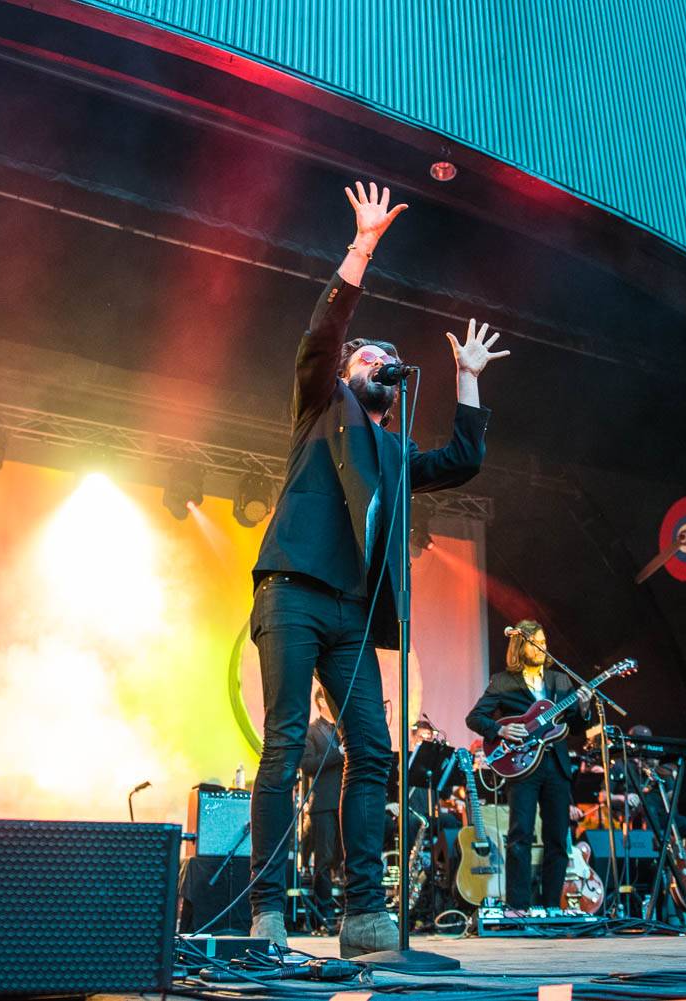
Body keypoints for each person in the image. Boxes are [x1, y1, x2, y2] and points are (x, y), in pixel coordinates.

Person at [248, 180, 505, 957]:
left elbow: (461, 459)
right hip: (292, 591)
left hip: (354, 615)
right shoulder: (320, 406)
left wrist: (465, 380)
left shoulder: (394, 450)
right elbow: (325, 333)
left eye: (389, 358)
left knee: (375, 750)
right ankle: (267, 912)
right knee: (287, 740)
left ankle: (363, 914)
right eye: (370, 354)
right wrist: (361, 248)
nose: (378, 359)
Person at [465, 621, 592, 910]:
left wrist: (583, 708)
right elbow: (474, 718)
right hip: (522, 765)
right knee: (520, 835)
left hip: (556, 765)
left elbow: (576, 726)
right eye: (536, 641)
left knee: (558, 839)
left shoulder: (559, 681)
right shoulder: (503, 681)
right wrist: (500, 730)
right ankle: (518, 907)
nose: (543, 646)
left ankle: (551, 908)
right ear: (522, 646)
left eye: (544, 640)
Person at [300, 686, 343, 930]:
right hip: (323, 804)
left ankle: (345, 912)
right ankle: (324, 916)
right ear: (321, 701)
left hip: (343, 804)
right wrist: (337, 753)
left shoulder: (342, 729)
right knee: (324, 860)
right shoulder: (312, 731)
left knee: (343, 858)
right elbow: (307, 764)